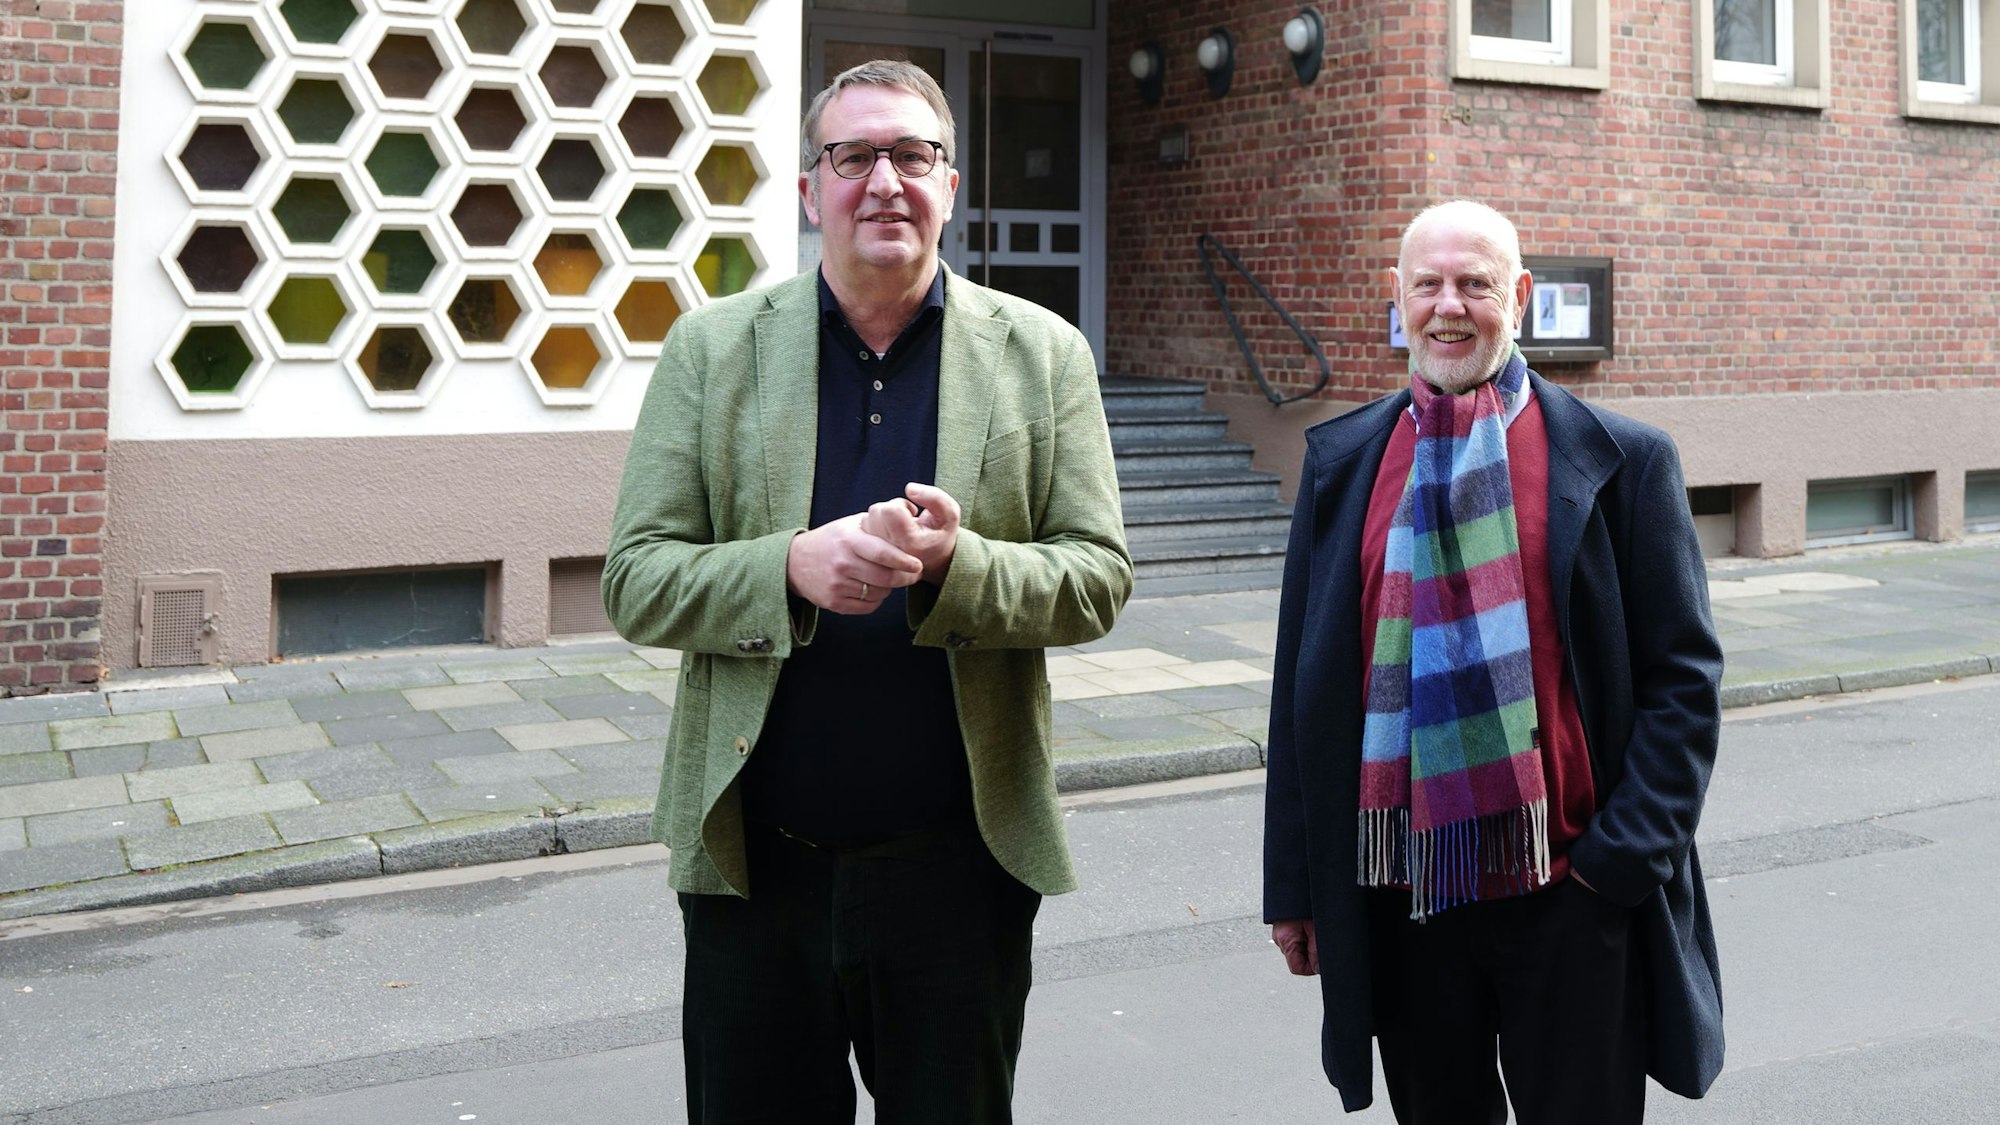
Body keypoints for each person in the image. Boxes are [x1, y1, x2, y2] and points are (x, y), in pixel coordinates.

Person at [602, 59, 1131, 1125]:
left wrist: (957, 566)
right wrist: (785, 568)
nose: (884, 181)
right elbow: (635, 579)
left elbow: (1095, 579)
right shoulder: (711, 351)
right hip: (758, 867)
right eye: (854, 157)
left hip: (956, 872)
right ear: (811, 190)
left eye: (912, 155)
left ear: (949, 183)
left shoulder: (1043, 355)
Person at [1263, 200, 1724, 1124]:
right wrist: (1295, 884)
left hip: (1570, 893)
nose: (1448, 306)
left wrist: (1619, 862)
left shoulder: (1622, 461)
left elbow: (1684, 679)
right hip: (1402, 896)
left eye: (1474, 283)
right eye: (1426, 283)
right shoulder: (1345, 462)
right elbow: (1302, 689)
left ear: (1517, 296)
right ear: (1396, 300)